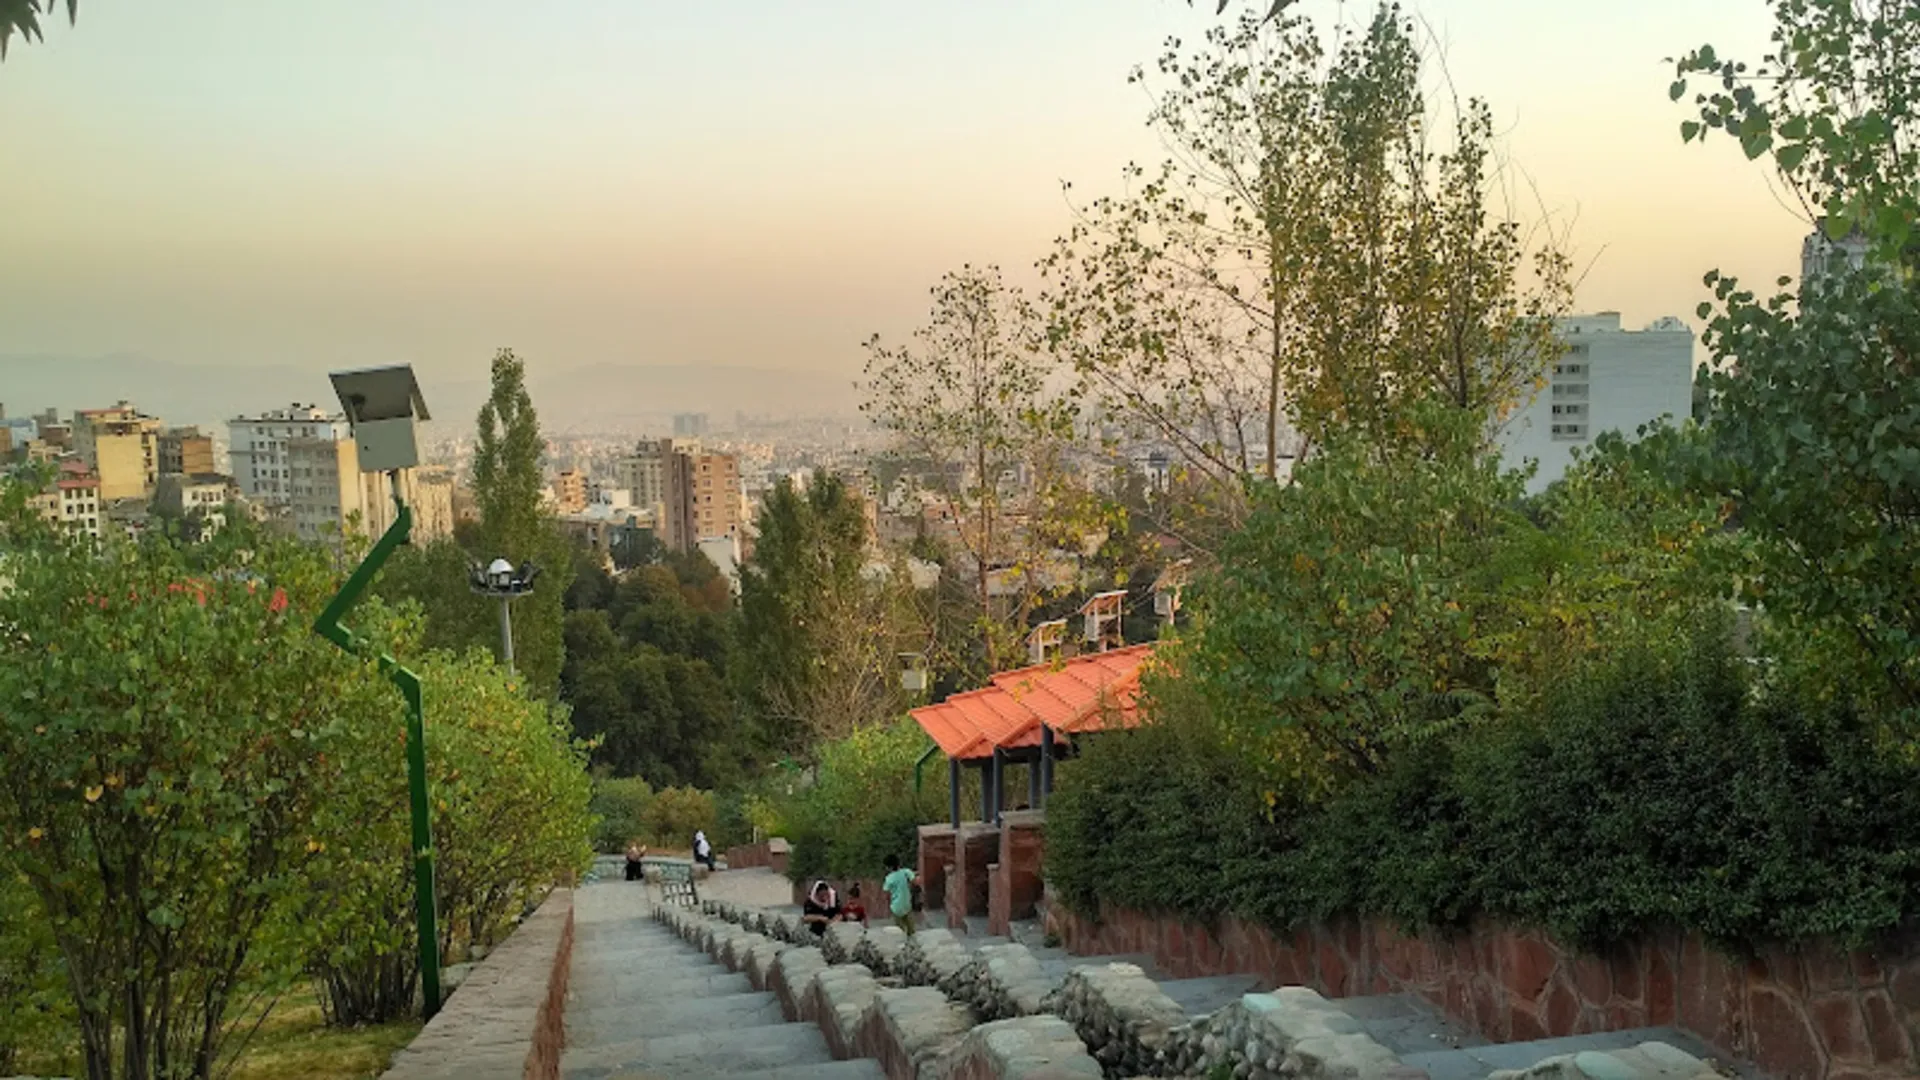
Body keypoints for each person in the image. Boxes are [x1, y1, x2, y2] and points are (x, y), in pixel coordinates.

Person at [881, 854, 918, 936]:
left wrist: (888, 907)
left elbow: (886, 895)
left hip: (896, 907)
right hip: (907, 905)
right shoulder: (906, 872)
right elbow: (915, 882)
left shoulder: (889, 878)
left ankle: (903, 940)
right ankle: (911, 940)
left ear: (889, 867)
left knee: (900, 931)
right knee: (911, 930)